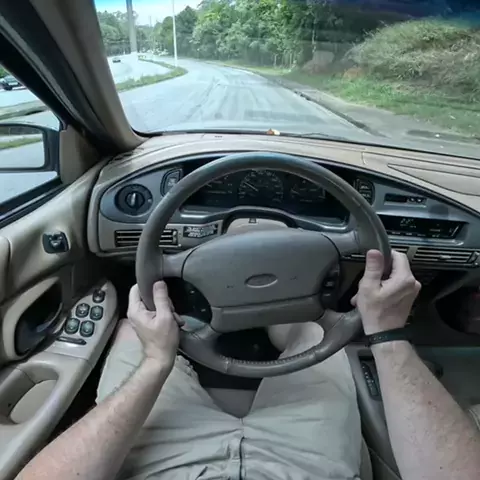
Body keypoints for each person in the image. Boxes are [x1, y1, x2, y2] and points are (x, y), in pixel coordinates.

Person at [16, 250, 480, 480]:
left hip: (165, 467)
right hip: (305, 467)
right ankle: (282, 320)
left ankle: (179, 337)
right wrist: (387, 332)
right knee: (311, 332)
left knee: (136, 334)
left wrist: (159, 360)